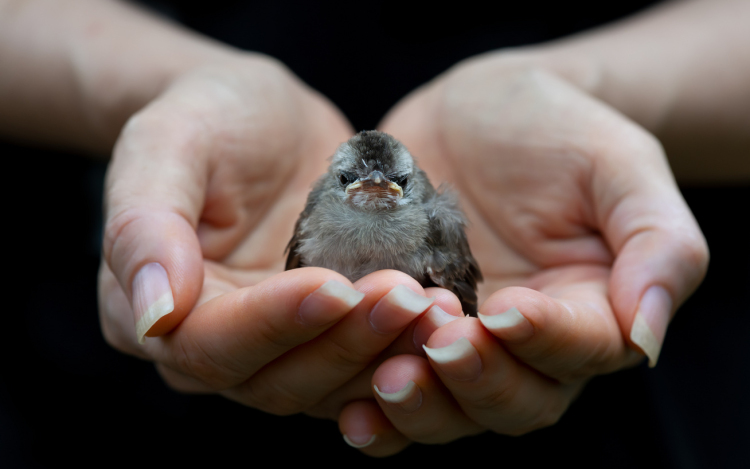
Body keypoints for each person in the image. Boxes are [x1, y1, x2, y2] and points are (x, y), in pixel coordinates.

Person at [1, 0, 746, 460]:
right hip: (108, 398)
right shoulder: (315, 222)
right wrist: (162, 88)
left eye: (395, 183)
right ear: (332, 186)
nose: (376, 193)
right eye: (352, 183)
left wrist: (592, 89)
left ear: (412, 184)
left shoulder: (433, 226)